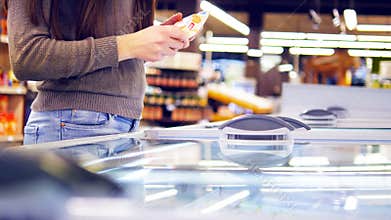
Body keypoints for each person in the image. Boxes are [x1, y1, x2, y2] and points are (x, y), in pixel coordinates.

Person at [3, 0, 191, 144]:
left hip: (126, 126)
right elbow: (26, 57)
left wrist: (149, 43)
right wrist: (129, 45)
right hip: (73, 125)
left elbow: (113, 47)